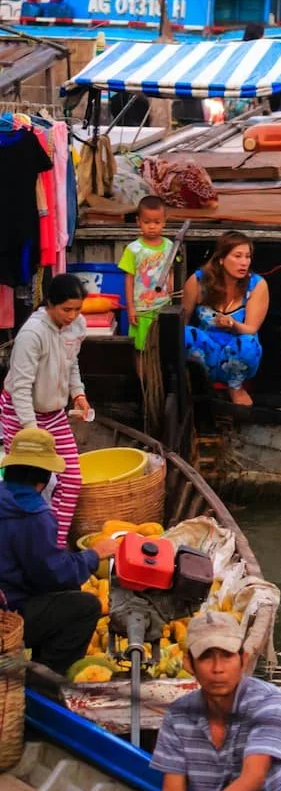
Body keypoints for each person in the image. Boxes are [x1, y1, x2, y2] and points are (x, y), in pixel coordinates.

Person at [151, 610, 281, 791]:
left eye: (227, 656)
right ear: (189, 664)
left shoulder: (266, 701)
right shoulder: (177, 716)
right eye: (206, 657)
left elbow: (253, 778)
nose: (218, 668)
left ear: (243, 660)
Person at [0, 427, 119, 673]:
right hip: (9, 612)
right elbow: (53, 575)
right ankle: (45, 678)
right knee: (85, 607)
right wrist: (94, 555)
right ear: (43, 481)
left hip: (7, 593)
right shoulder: (34, 515)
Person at [1, 274, 90, 545]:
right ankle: (14, 542)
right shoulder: (32, 333)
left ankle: (54, 544)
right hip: (20, 413)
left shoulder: (77, 325)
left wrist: (78, 393)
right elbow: (21, 388)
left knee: (71, 479)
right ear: (49, 304)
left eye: (77, 309)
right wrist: (31, 432)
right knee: (24, 484)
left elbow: (71, 362)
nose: (72, 316)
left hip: (54, 413)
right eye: (66, 310)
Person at [181, 233, 266, 407]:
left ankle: (236, 387)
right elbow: (183, 319)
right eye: (237, 256)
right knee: (184, 333)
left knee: (248, 343)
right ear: (221, 259)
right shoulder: (198, 281)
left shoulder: (257, 285)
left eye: (248, 257)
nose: (244, 262)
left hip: (238, 357)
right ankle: (196, 384)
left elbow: (252, 329)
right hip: (207, 354)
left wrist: (234, 325)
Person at [120, 195, 176, 354]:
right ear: (138, 222)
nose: (152, 227)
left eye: (157, 222)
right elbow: (129, 279)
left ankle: (158, 379)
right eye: (147, 222)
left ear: (164, 221)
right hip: (141, 308)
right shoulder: (133, 249)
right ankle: (142, 379)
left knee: (161, 348)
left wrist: (171, 283)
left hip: (163, 306)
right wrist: (131, 308)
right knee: (140, 348)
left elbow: (170, 268)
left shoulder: (169, 246)